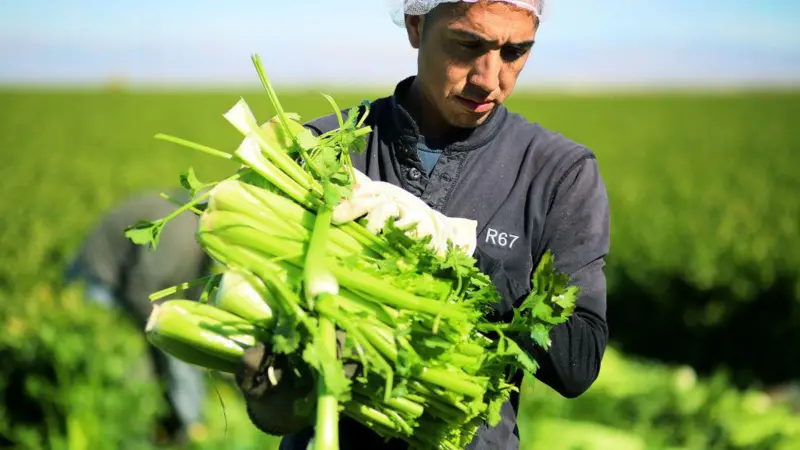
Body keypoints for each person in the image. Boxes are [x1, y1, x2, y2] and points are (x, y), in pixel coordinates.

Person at [236, 0, 610, 449]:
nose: (490, 79)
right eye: (467, 44)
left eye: (514, 52)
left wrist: (467, 254)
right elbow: (269, 380)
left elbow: (579, 362)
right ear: (416, 25)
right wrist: (271, 379)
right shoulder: (323, 153)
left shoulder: (557, 173)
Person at [63, 190, 213, 445]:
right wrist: (164, 327)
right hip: (99, 279)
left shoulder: (202, 240)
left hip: (134, 285)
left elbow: (193, 291)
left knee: (179, 348)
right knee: (124, 363)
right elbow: (139, 289)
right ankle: (136, 431)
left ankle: (186, 425)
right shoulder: (179, 234)